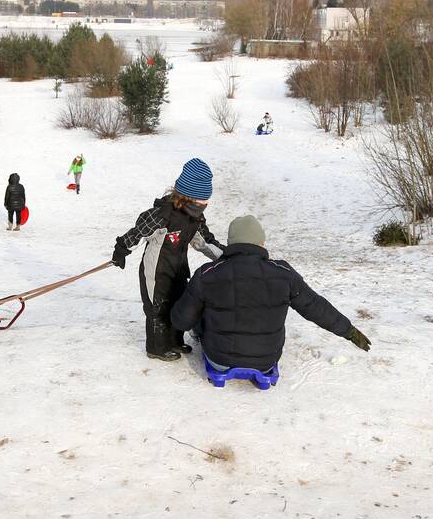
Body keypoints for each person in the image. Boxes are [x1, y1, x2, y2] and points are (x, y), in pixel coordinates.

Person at [171, 215, 371, 373]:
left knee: (201, 306)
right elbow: (314, 306)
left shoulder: (208, 273)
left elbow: (181, 321)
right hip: (265, 361)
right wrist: (349, 331)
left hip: (219, 360)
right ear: (261, 243)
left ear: (231, 243)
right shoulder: (283, 273)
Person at [111, 158, 225, 362]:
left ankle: (174, 340)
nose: (206, 204)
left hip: (179, 268)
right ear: (189, 196)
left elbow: (204, 242)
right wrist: (121, 250)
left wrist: (226, 257)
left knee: (178, 304)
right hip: (156, 272)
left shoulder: (195, 217)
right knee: (157, 309)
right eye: (203, 200)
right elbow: (137, 234)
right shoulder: (162, 215)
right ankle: (156, 347)